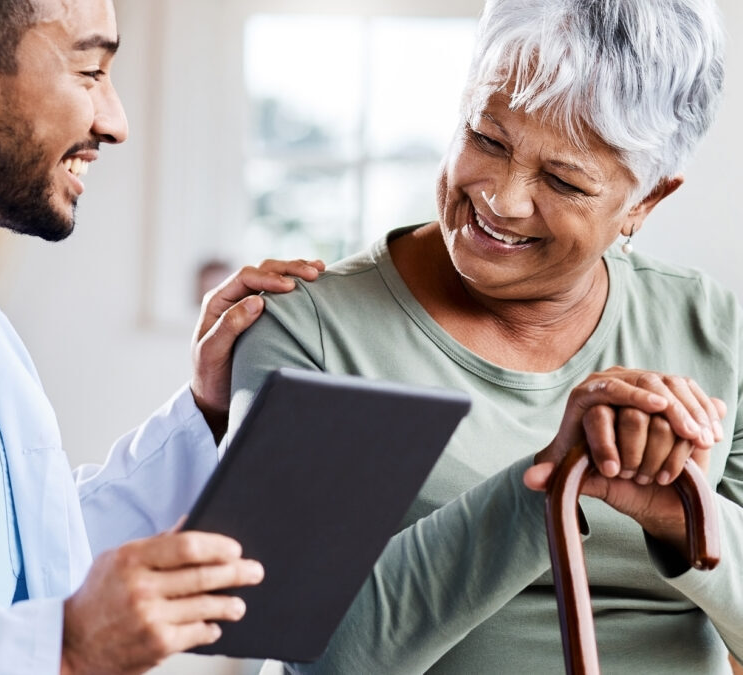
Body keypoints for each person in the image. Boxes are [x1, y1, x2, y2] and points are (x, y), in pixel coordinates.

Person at [0, 0, 326, 673]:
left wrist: (205, 412)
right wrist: (63, 650)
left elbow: (38, 567)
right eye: (91, 71)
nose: (116, 123)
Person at [229, 0, 743, 672]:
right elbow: (314, 656)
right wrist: (548, 483)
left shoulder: (712, 329)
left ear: (646, 201)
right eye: (487, 139)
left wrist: (683, 513)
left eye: (563, 180)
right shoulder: (314, 335)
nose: (502, 198)